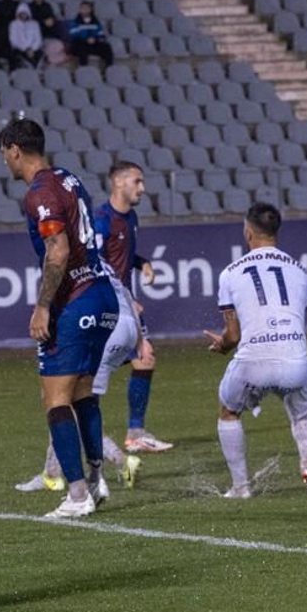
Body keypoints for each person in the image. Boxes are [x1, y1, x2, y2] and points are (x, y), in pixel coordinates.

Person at [0, 118, 120, 519]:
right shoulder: (68, 179)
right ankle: (97, 478)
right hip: (103, 293)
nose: (6, 163)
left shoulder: (39, 193)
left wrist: (44, 304)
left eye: (5, 154)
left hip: (76, 300)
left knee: (55, 398)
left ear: (15, 150)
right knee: (82, 391)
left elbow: (59, 251)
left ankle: (78, 494)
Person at [204, 203, 307, 498]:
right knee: (302, 412)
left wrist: (223, 346)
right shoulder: (300, 271)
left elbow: (233, 335)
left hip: (253, 361)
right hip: (296, 360)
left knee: (229, 412)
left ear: (248, 232)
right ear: (276, 232)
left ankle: (240, 486)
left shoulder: (230, 273)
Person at [15, 250, 142, 494]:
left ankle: (112, 465)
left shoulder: (71, 262)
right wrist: (140, 339)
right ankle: (54, 471)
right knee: (72, 400)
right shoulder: (100, 263)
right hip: (122, 324)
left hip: (98, 323)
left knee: (64, 401)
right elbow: (124, 292)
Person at [92, 161, 173, 454]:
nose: (142, 188)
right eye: (137, 181)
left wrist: (143, 263)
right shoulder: (100, 220)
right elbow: (94, 265)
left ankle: (135, 433)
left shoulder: (131, 217)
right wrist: (124, 299)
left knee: (145, 358)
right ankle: (91, 434)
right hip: (107, 305)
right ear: (118, 183)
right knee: (90, 377)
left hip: (125, 302)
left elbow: (124, 254)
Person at [67, 1, 114, 68]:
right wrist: (86, 39)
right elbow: (74, 35)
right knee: (82, 47)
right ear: (80, 10)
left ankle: (109, 68)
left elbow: (100, 34)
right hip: (79, 44)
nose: (85, 10)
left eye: (87, 8)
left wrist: (96, 39)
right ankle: (84, 68)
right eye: (83, 8)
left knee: (106, 47)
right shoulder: (75, 22)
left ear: (90, 9)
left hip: (93, 43)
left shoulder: (95, 22)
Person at [8, 4, 43, 68]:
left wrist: (32, 49)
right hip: (20, 49)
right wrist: (26, 49)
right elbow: (13, 40)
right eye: (21, 13)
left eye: (25, 13)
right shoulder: (13, 24)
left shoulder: (35, 24)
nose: (23, 15)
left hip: (33, 49)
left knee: (40, 54)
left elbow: (38, 39)